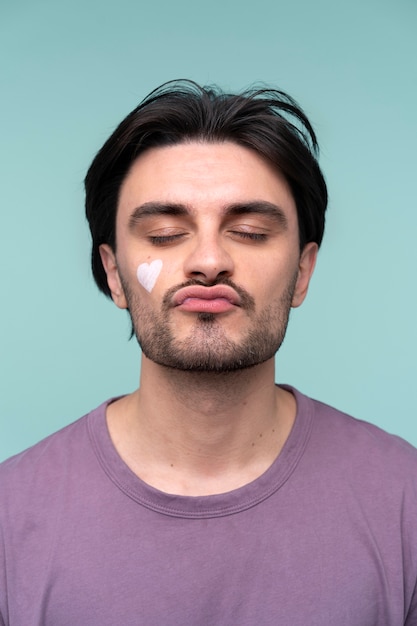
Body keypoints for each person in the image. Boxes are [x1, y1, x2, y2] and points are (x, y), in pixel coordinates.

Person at [0, 80, 416, 626]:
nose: (209, 260)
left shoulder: (404, 501)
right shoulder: (10, 518)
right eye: (167, 233)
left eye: (248, 231)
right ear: (113, 273)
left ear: (303, 272)